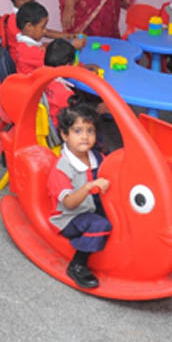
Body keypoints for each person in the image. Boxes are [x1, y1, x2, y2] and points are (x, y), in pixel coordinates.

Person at [47, 99, 111, 289]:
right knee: (100, 224)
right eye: (77, 131)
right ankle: (78, 264)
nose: (85, 136)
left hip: (94, 206)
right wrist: (88, 187)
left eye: (90, 131)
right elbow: (69, 203)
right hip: (70, 217)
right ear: (64, 135)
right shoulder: (61, 168)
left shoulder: (98, 157)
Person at [3, 0, 83, 64]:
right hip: (24, 63)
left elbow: (45, 32)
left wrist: (69, 36)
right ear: (19, 0)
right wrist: (70, 46)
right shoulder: (15, 23)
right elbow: (48, 58)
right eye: (31, 0)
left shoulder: (25, 23)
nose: (34, 3)